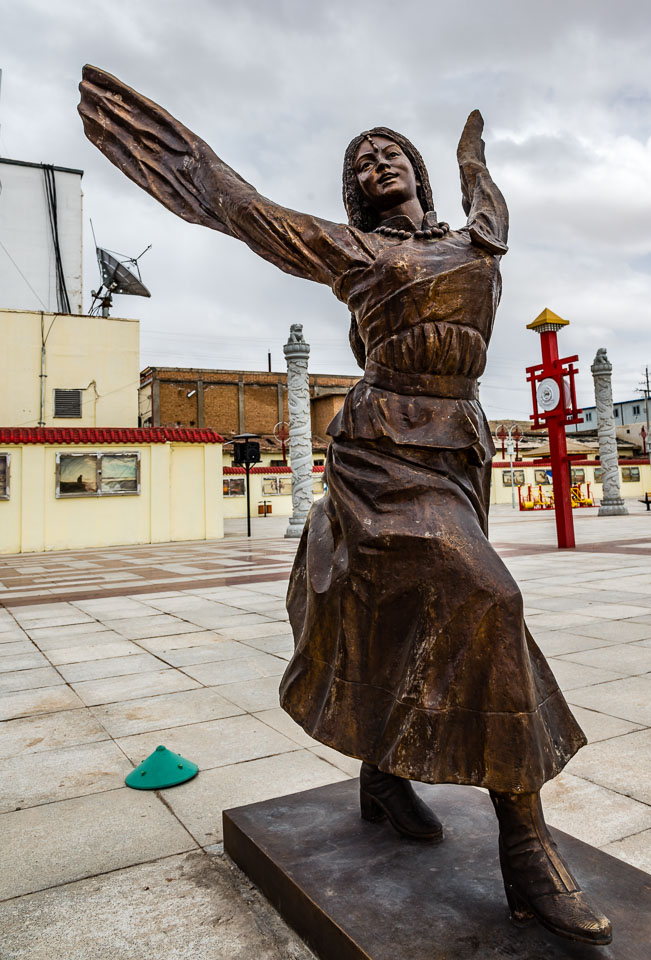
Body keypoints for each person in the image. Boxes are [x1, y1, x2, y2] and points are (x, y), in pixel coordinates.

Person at [78, 65, 611, 947]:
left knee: (405, 613)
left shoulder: (475, 246)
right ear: (354, 197)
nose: (376, 161)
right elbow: (241, 208)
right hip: (382, 449)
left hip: (459, 446)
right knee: (490, 599)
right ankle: (526, 847)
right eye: (361, 161)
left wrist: (474, 163)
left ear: (417, 172)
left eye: (389, 151)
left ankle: (380, 775)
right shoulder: (359, 254)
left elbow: (493, 217)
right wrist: (165, 145)